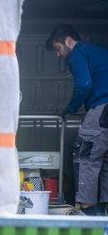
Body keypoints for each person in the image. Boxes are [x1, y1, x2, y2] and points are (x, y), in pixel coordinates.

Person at [46, 24, 108, 215]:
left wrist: (70, 109)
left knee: (86, 156)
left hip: (102, 107)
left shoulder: (77, 54)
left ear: (68, 41)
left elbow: (84, 84)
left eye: (58, 48)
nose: (58, 55)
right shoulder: (98, 52)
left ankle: (88, 213)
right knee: (105, 160)